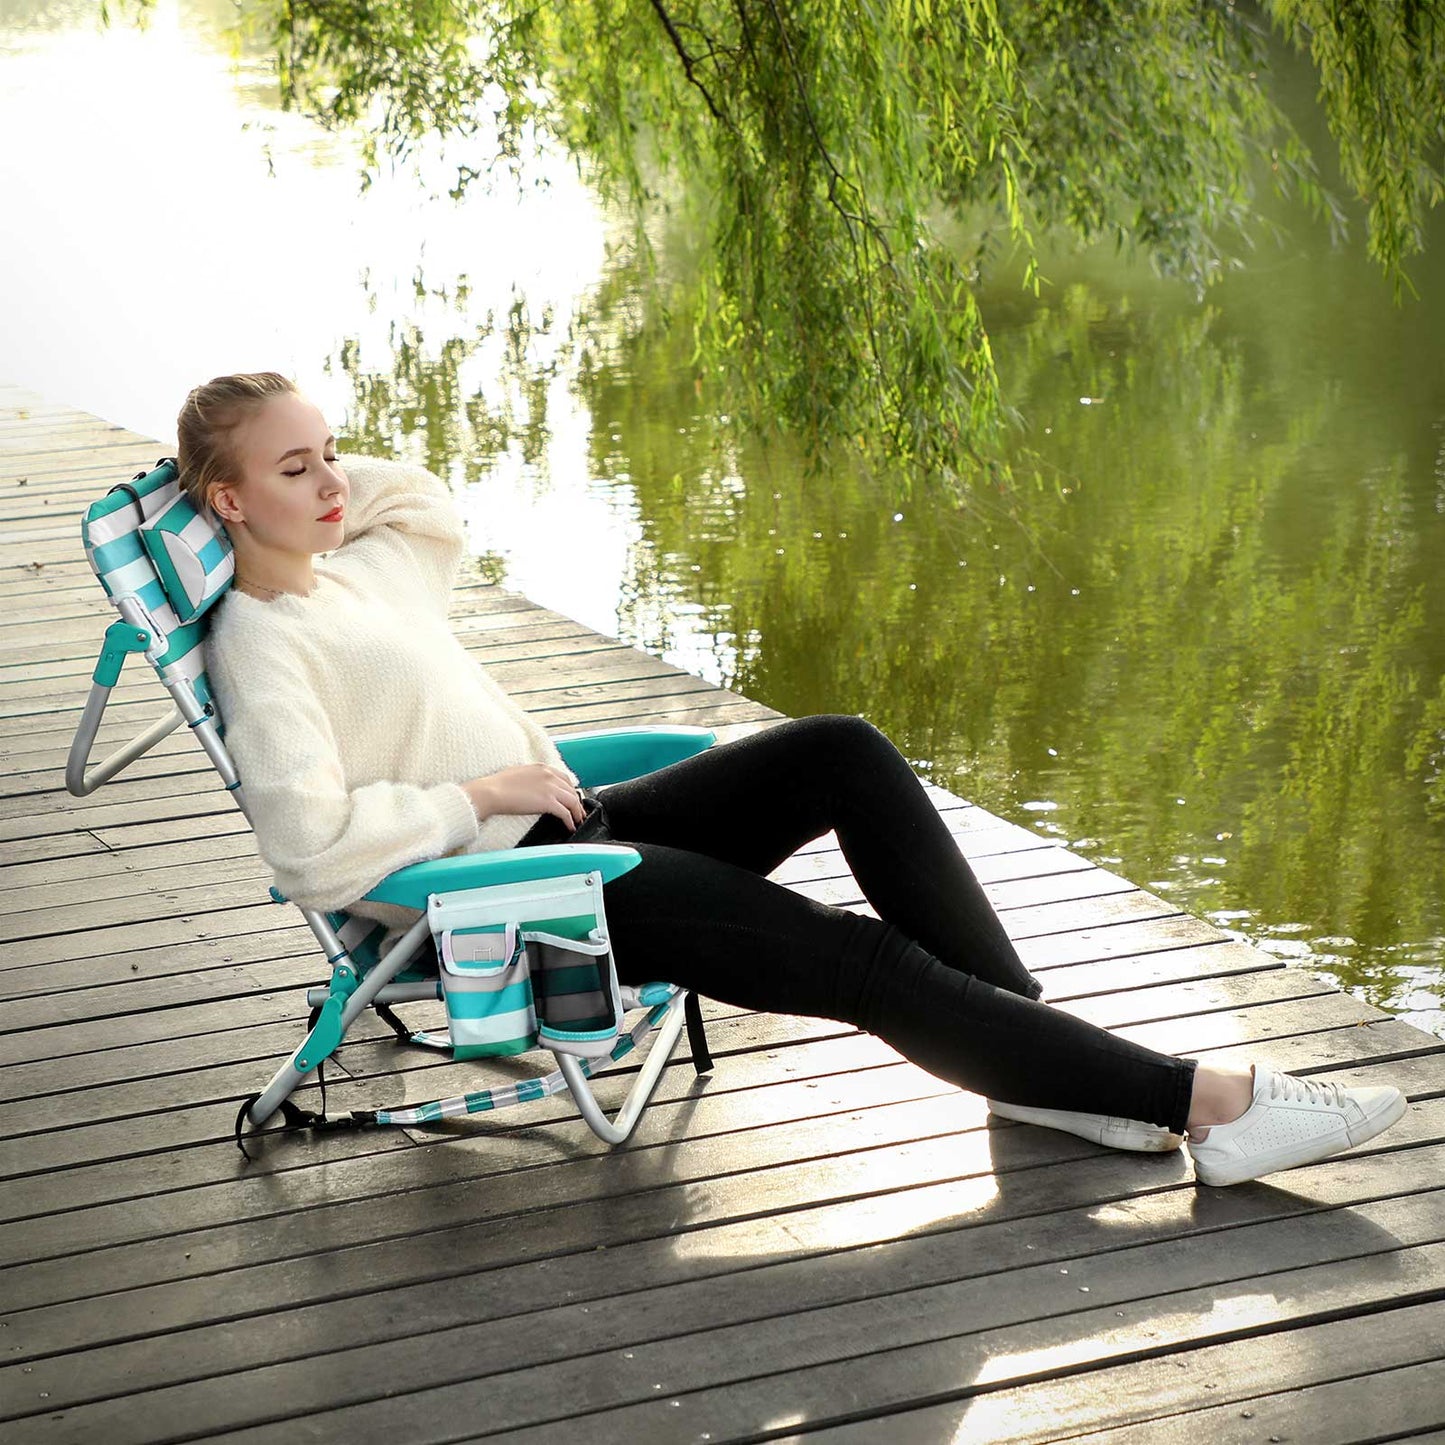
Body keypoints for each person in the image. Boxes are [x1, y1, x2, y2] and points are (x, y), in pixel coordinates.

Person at [181, 371, 1406, 1188]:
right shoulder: (262, 643)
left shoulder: (354, 572)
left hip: (574, 830)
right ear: (228, 499)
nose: (336, 483)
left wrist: (305, 473)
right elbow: (310, 849)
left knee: (842, 750)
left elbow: (428, 507)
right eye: (297, 469)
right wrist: (482, 798)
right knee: (861, 957)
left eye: (331, 453)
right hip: (512, 898)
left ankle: (1034, 1058)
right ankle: (1211, 1104)